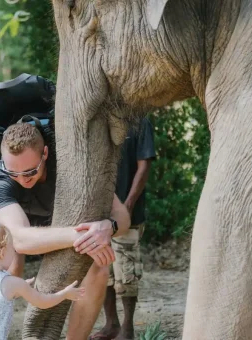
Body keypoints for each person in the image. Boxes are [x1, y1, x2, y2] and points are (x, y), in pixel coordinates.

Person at [0, 122, 131, 339]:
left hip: (63, 221)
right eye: (13, 173)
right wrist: (80, 236)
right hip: (20, 230)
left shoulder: (70, 164)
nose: (22, 180)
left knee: (99, 264)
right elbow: (19, 240)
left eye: (30, 171)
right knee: (5, 273)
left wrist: (109, 226)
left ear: (45, 153)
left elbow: (123, 217)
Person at [0, 220, 86, 340]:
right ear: (2, 252)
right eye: (12, 248)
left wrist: (19, 288)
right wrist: (64, 294)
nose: (14, 252)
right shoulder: (12, 283)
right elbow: (42, 302)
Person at [90, 117, 156, 340]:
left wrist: (127, 206)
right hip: (98, 213)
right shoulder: (100, 119)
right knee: (103, 270)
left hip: (130, 214)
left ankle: (127, 328)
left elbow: (144, 165)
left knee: (126, 272)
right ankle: (112, 324)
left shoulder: (140, 119)